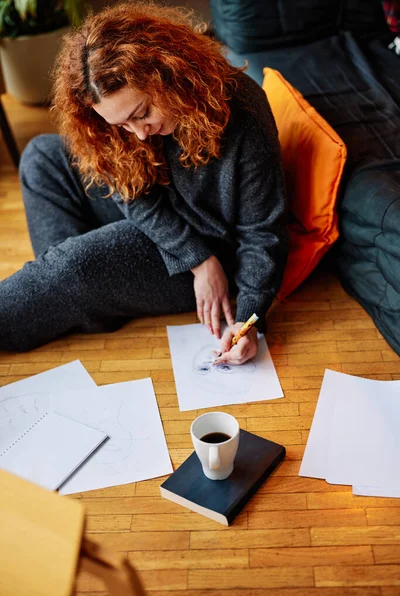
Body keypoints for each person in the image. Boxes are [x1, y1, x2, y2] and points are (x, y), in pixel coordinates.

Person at [2, 0, 287, 363]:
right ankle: (79, 295)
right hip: (183, 239)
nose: (138, 134)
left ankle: (75, 287)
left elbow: (263, 232)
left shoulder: (243, 113)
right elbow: (129, 191)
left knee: (72, 266)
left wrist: (249, 320)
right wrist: (196, 258)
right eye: (122, 125)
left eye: (143, 113)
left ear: (166, 72)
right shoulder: (125, 125)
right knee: (41, 155)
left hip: (213, 250)